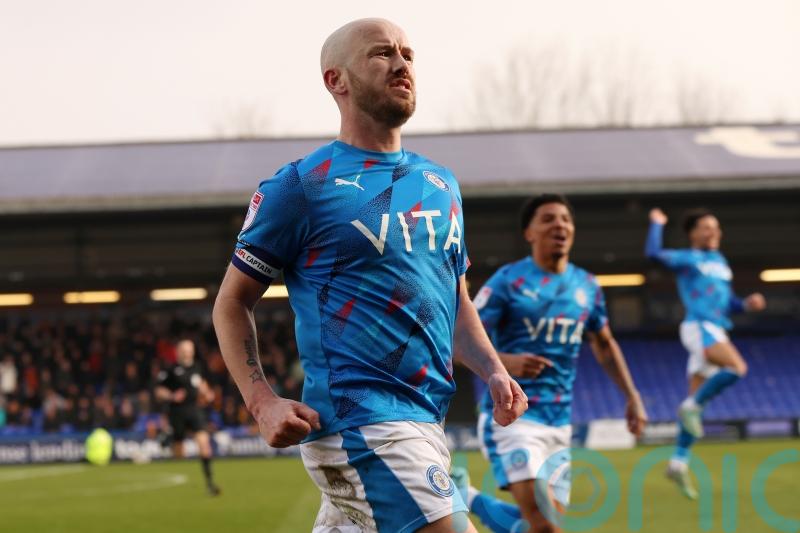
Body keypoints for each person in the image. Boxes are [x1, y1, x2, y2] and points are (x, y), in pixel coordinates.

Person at [212, 18, 527, 533]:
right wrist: (262, 401)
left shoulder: (440, 183)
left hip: (426, 418)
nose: (402, 63)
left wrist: (493, 369)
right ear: (335, 80)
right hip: (360, 423)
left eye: (408, 53)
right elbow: (231, 303)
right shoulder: (302, 186)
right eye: (381, 53)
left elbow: (455, 300)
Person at [454, 194, 648, 533]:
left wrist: (632, 394)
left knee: (539, 527)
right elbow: (460, 340)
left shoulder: (587, 286)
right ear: (529, 233)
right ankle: (466, 498)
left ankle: (465, 497)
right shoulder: (508, 281)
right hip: (513, 417)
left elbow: (604, 343)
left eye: (565, 219)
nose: (559, 224)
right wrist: (508, 363)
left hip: (559, 422)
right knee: (545, 526)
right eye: (547, 219)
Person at [646, 208, 765, 499]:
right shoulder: (688, 258)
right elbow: (654, 254)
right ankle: (689, 408)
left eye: (717, 227)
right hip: (699, 326)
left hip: (716, 327)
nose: (714, 232)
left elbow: (727, 303)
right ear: (693, 233)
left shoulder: (721, 262)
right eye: (707, 227)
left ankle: (677, 463)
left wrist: (746, 304)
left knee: (695, 408)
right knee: (737, 367)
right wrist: (656, 224)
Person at [155, 339, 220, 496]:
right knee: (179, 453)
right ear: (178, 352)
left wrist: (208, 394)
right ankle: (167, 441)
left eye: (189, 350)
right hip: (176, 413)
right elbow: (158, 392)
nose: (187, 353)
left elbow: (201, 385)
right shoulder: (170, 370)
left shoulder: (198, 367)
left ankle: (210, 483)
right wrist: (171, 395)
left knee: (204, 446)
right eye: (184, 350)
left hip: (194, 410)